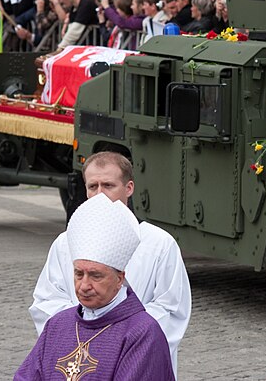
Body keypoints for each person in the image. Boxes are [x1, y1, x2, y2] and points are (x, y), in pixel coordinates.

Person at [29, 152, 190, 377]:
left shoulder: (159, 243)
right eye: (92, 186)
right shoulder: (65, 242)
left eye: (108, 185)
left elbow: (171, 309)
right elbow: (47, 300)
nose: (99, 195)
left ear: (129, 188)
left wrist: (121, 333)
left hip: (136, 352)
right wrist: (82, 326)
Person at [17, 193, 175, 381]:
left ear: (119, 278)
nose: (84, 286)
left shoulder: (142, 332)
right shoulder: (58, 324)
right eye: (78, 274)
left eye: (95, 275)